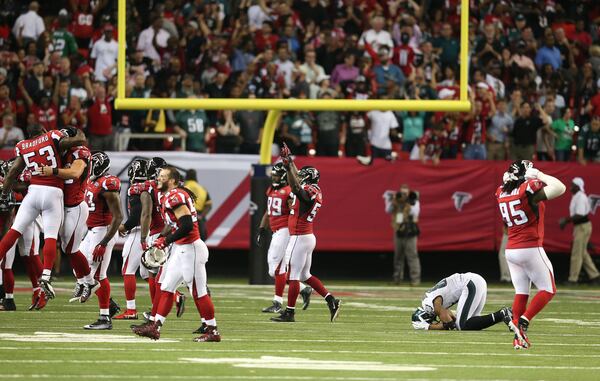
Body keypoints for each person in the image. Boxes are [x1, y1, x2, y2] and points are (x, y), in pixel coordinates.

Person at [134, 166, 221, 342]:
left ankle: (213, 331)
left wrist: (166, 241)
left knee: (199, 291)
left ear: (172, 180)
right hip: (182, 249)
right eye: (159, 176)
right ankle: (155, 326)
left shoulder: (175, 196)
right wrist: (163, 237)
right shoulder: (170, 196)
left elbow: (187, 225)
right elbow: (174, 224)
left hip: (191, 249)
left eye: (163, 177)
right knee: (166, 287)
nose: (158, 179)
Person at [0, 125, 85, 300]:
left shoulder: (24, 145)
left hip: (33, 192)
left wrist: (4, 193)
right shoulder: (52, 136)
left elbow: (12, 173)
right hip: (53, 191)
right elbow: (79, 140)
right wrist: (78, 131)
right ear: (44, 131)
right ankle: (46, 276)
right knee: (51, 237)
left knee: (14, 231)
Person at [495, 160, 566, 349]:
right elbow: (560, 187)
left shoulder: (501, 193)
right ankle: (524, 321)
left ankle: (518, 337)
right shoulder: (527, 191)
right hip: (530, 247)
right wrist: (539, 175)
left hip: (511, 249)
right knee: (548, 289)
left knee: (521, 292)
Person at [270, 144, 341, 323]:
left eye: (302, 176)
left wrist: (287, 165)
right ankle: (331, 300)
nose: (298, 177)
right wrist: (290, 162)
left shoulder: (309, 190)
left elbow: (295, 188)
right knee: (304, 276)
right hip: (306, 236)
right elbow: (296, 183)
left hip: (299, 237)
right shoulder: (314, 189)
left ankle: (290, 312)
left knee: (293, 276)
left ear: (308, 178)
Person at [39, 127, 97, 304]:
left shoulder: (80, 152)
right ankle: (83, 282)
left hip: (76, 206)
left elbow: (75, 172)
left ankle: (89, 282)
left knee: (71, 248)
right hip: (63, 206)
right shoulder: (61, 152)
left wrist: (53, 171)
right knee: (67, 248)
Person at [257, 163, 312, 313]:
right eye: (272, 175)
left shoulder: (289, 192)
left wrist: (292, 230)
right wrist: (262, 228)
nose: (273, 177)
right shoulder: (271, 190)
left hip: (285, 231)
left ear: (282, 176)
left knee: (277, 268)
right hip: (276, 231)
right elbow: (268, 212)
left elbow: (294, 211)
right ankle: (303, 289)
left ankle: (277, 303)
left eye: (276, 175)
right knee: (273, 270)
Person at [79, 152, 123, 330]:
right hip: (91, 231)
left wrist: (104, 242)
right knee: (79, 263)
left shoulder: (108, 183)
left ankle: (105, 317)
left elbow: (118, 217)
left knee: (99, 275)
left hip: (103, 231)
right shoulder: (91, 180)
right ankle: (109, 303)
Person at [411, 272, 513, 331]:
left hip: (469, 284)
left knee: (462, 325)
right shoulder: (428, 300)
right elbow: (451, 318)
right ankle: (506, 315)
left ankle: (501, 314)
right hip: (476, 281)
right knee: (472, 322)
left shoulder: (429, 304)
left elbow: (449, 324)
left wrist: (429, 327)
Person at [115, 159, 151, 320]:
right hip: (152, 231)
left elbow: (137, 215)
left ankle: (131, 310)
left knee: (128, 270)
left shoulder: (136, 188)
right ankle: (174, 296)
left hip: (138, 232)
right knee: (147, 273)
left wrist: (124, 227)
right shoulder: (153, 186)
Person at [559, 178, 600, 285]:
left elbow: (580, 214)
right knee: (583, 253)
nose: (570, 187)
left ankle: (573, 279)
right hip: (581, 226)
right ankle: (595, 276)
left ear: (577, 186)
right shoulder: (577, 196)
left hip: (582, 226)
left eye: (572, 185)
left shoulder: (580, 197)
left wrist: (565, 220)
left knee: (576, 254)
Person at [384, 185, 420, 286]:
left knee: (412, 256)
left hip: (410, 231)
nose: (403, 195)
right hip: (399, 230)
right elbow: (388, 210)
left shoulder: (413, 200)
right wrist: (394, 200)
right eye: (402, 193)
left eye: (405, 193)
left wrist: (407, 202)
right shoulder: (396, 202)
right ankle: (397, 279)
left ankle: (415, 280)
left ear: (408, 193)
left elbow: (415, 212)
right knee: (398, 256)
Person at [184, 169, 212, 241]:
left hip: (185, 216)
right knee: (200, 241)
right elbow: (209, 205)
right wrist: (201, 216)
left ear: (186, 176)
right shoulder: (202, 188)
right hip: (198, 218)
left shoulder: (183, 186)